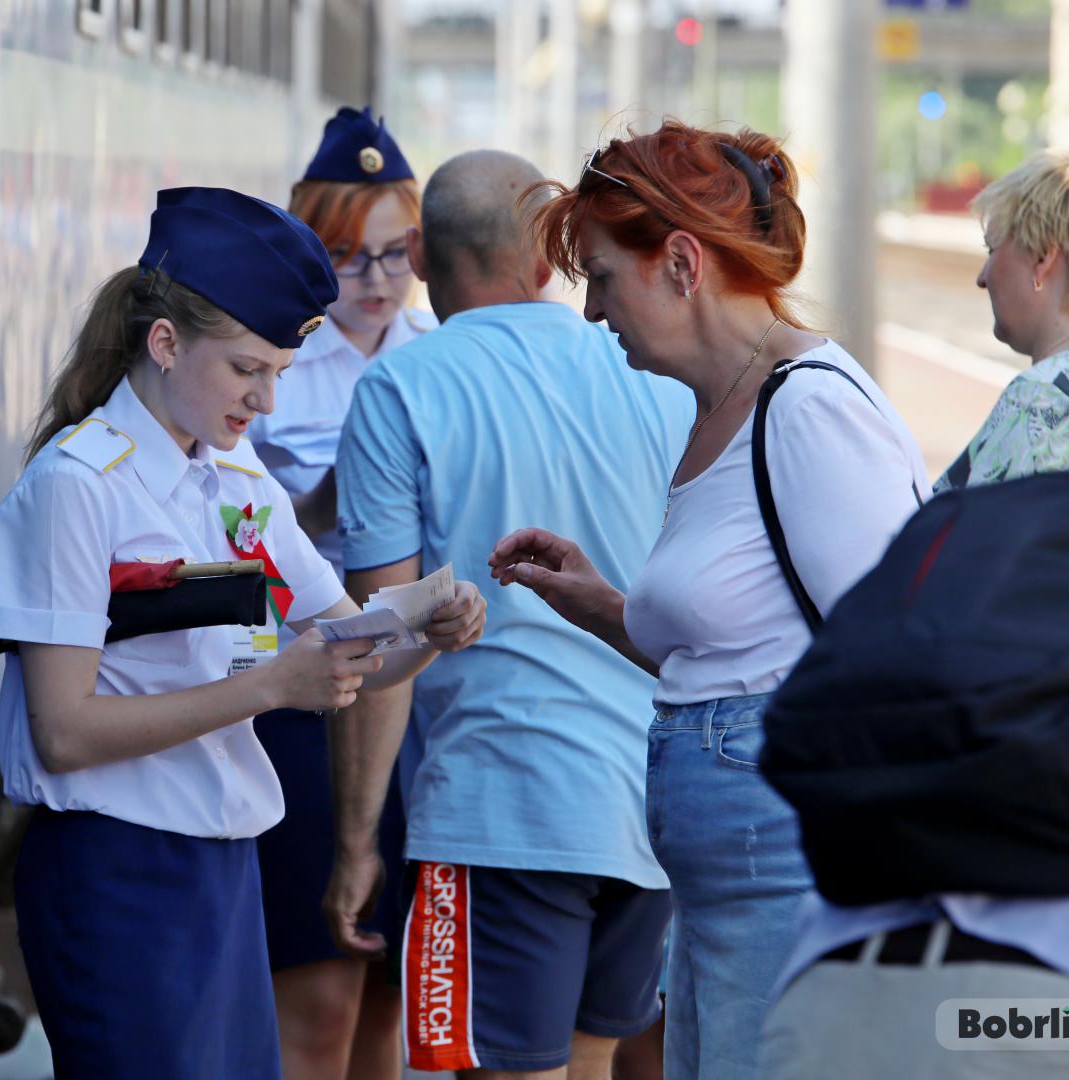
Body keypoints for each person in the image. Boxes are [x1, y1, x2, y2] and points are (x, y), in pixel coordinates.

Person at [0, 186, 488, 1080]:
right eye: (248, 369)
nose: (264, 398)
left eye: (280, 375)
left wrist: (429, 632)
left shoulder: (234, 475)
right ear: (166, 345)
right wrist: (266, 688)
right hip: (118, 876)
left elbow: (346, 644)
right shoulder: (77, 487)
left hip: (221, 874)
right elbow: (62, 734)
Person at [486, 121, 929, 1080]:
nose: (593, 310)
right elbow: (741, 647)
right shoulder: (725, 406)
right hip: (731, 889)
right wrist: (601, 602)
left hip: (789, 880)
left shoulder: (807, 409)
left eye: (601, 275)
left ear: (681, 262)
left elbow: (893, 662)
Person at [760, 149, 1069, 1078]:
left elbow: (928, 587)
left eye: (995, 251)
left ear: (1047, 259)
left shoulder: (1052, 396)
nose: (983, 273)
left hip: (1047, 805)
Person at [325, 148, 696, 1080]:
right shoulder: (647, 370)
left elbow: (387, 633)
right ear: (549, 255)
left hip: (499, 811)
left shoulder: (401, 388)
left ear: (417, 252)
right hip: (641, 809)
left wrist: (358, 841)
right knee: (590, 1061)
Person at [248, 106, 434, 1080]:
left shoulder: (437, 357)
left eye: (397, 255)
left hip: (414, 710)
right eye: (348, 258)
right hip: (305, 708)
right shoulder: (271, 362)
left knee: (392, 1001)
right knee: (317, 996)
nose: (376, 282)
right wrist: (338, 498)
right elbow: (247, 534)